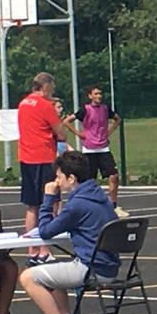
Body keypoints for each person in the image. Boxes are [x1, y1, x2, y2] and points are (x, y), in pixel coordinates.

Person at [18, 151, 119, 314]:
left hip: (90, 269)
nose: (57, 181)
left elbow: (46, 230)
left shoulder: (77, 204)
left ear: (71, 178)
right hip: (108, 267)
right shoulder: (101, 197)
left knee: (28, 277)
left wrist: (48, 198)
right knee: (53, 271)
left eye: (59, 176)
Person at [17, 72, 69, 265]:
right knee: (51, 202)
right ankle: (45, 248)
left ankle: (32, 250)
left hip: (26, 158)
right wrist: (61, 144)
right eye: (51, 88)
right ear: (45, 86)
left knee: (32, 205)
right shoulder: (45, 106)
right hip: (44, 157)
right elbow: (60, 132)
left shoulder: (23, 104)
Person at [62, 84, 127, 217]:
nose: (99, 96)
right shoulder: (85, 110)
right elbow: (67, 121)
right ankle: (89, 205)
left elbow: (117, 119)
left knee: (114, 176)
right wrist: (79, 133)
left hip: (103, 147)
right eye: (96, 94)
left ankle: (113, 205)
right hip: (89, 149)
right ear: (90, 96)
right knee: (89, 180)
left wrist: (109, 131)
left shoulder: (105, 108)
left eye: (100, 94)